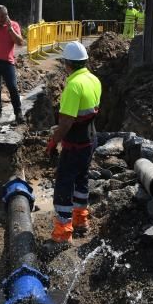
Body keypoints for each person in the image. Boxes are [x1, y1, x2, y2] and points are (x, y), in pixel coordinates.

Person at [46, 41, 101, 244]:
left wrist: (54, 142)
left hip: (75, 143)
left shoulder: (73, 85)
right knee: (82, 179)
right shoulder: (94, 79)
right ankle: (81, 219)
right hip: (90, 139)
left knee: (64, 183)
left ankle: (62, 232)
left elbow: (67, 121)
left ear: (67, 63)